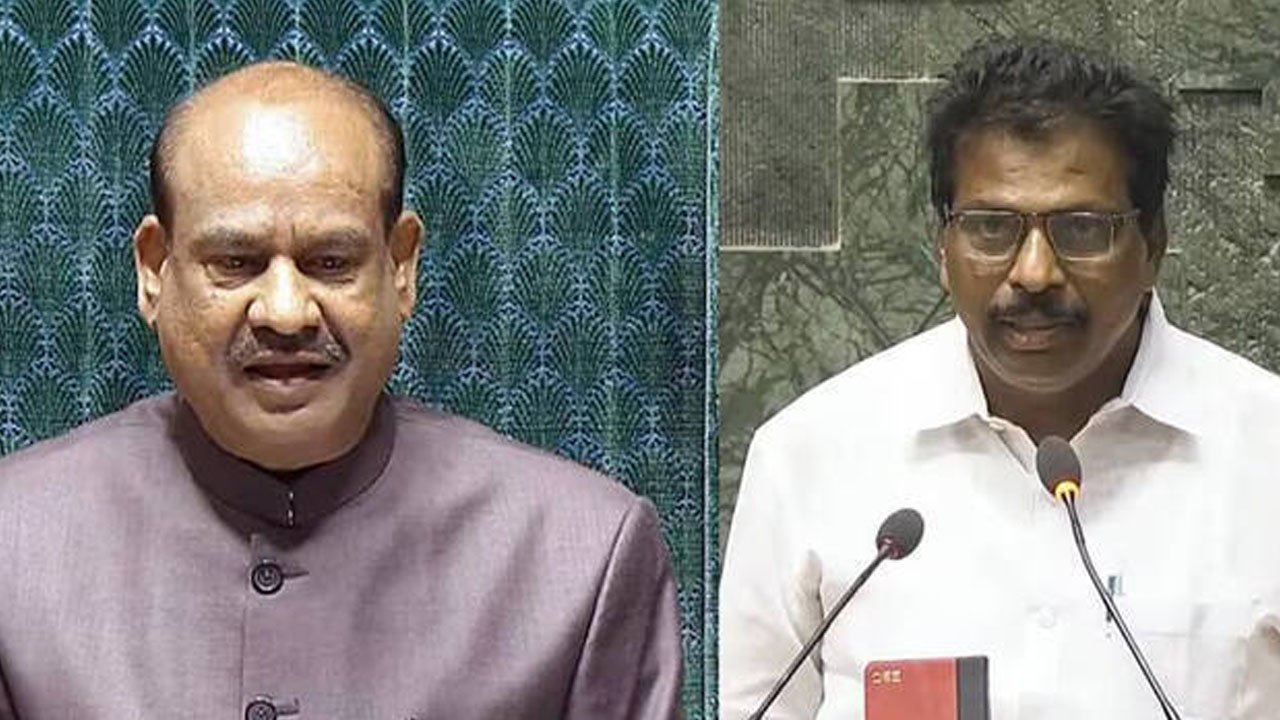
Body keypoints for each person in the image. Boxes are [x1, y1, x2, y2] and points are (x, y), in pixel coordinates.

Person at [0, 62, 682, 719]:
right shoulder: (15, 542)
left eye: (331, 262)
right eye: (235, 262)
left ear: (401, 267)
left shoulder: (581, 555)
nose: (286, 312)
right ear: (154, 270)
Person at [720, 37, 1280, 719]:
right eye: (991, 227)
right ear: (942, 246)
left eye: (1082, 228)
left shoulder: (1265, 453)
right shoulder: (808, 456)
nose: (1034, 273)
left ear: (1153, 245)